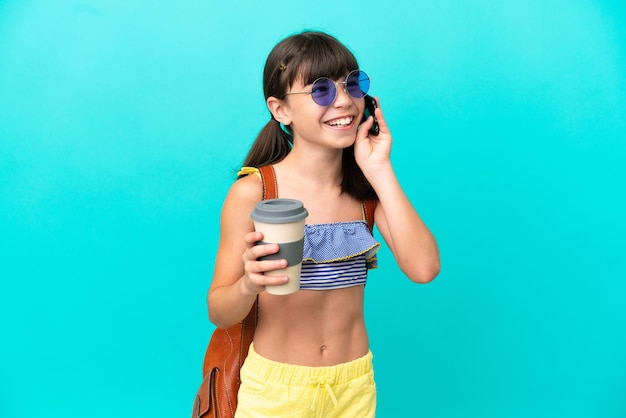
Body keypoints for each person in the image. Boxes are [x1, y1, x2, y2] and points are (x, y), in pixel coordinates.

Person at [207, 30, 440, 418]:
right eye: (321, 91)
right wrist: (249, 283)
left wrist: (380, 170)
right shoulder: (255, 193)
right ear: (281, 110)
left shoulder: (366, 192)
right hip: (275, 391)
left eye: (353, 84)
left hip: (353, 387)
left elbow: (424, 269)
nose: (345, 100)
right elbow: (218, 310)